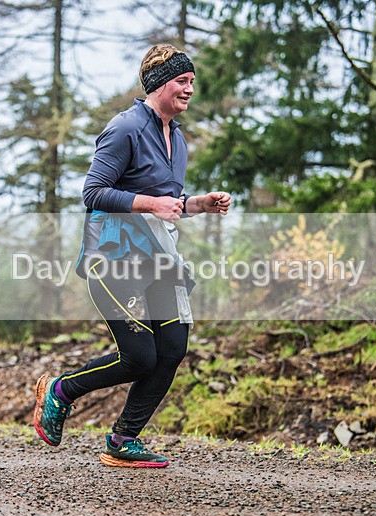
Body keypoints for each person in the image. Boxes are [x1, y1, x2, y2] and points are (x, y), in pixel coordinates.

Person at [33, 44, 231, 468]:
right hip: (114, 256)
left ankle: (124, 440)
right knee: (139, 357)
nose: (189, 89)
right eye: (182, 81)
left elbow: (169, 204)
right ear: (159, 83)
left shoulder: (176, 138)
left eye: (192, 82)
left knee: (173, 349)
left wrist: (200, 203)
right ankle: (60, 391)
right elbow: (93, 192)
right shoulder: (125, 127)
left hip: (158, 257)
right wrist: (151, 204)